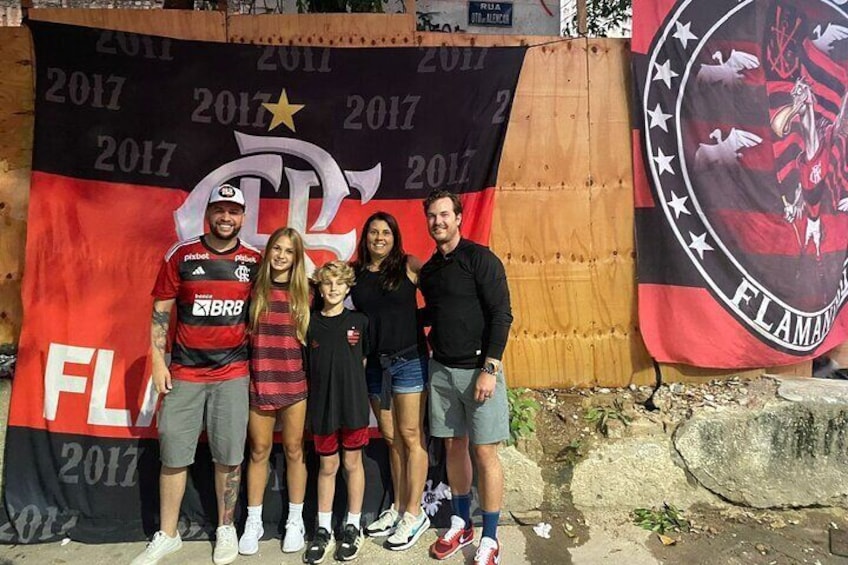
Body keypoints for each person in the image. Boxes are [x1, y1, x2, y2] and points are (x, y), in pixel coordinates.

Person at [131, 184, 261, 565]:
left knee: (228, 456)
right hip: (185, 373)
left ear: (243, 216)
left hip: (233, 373)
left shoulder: (254, 260)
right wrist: (158, 361)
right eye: (219, 210)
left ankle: (225, 529)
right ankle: (167, 534)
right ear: (208, 213)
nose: (226, 217)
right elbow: (160, 311)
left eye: (233, 211)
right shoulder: (183, 253)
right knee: (173, 455)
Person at [418, 190, 513, 565]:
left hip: (479, 372)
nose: (438, 221)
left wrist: (490, 369)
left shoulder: (480, 260)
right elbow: (440, 314)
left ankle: (490, 537)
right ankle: (461, 522)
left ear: (458, 217)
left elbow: (501, 315)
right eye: (432, 216)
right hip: (441, 370)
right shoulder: (429, 271)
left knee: (485, 452)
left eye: (444, 214)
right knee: (454, 448)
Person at [351, 212, 430, 551]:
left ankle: (416, 513)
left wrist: (419, 321)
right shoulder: (355, 274)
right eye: (373, 232)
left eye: (386, 232)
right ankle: (398, 508)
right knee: (391, 437)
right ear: (365, 237)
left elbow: (442, 297)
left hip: (410, 361)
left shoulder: (409, 265)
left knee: (411, 436)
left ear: (395, 237)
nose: (379, 237)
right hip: (376, 367)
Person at [238, 228, 311, 556]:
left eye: (289, 251)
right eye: (276, 249)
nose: (281, 255)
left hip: (295, 385)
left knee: (295, 450)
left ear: (297, 258)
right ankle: (253, 521)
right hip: (261, 382)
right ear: (268, 252)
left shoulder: (306, 293)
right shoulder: (254, 290)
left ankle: (295, 520)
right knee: (258, 451)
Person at [303, 261, 370, 564]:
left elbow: (364, 361)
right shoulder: (310, 323)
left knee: (353, 464)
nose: (333, 289)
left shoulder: (360, 321)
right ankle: (323, 529)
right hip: (323, 408)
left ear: (348, 287)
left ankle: (353, 525)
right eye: (327, 283)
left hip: (353, 406)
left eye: (339, 283)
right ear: (319, 287)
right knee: (327, 467)